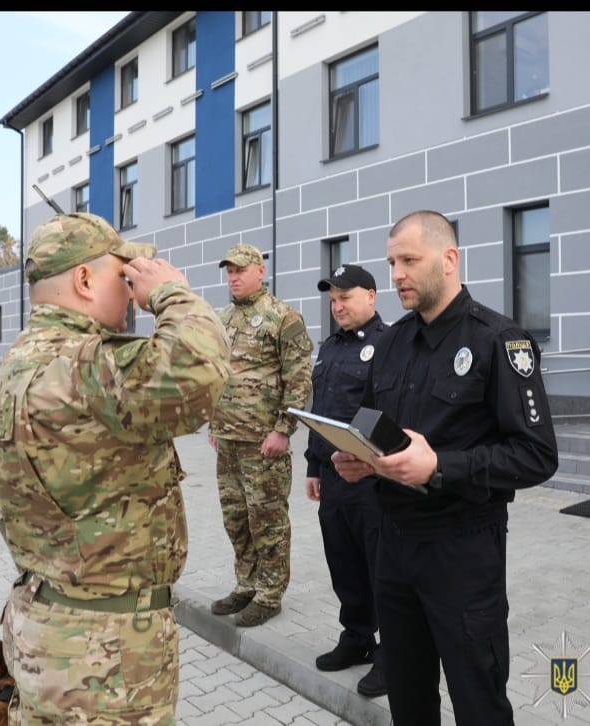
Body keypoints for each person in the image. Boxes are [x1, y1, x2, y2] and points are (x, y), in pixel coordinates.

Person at [0, 212, 230, 724]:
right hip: (106, 657)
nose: (133, 286)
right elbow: (202, 370)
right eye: (124, 273)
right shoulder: (89, 365)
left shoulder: (8, 371)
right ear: (84, 280)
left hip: (40, 626)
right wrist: (171, 293)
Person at [332, 210, 559, 726]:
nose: (396, 275)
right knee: (409, 701)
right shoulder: (390, 343)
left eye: (409, 260)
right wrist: (362, 459)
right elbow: (376, 426)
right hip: (392, 549)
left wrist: (442, 466)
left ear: (449, 259)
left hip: (462, 554)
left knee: (478, 702)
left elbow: (538, 454)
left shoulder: (498, 339)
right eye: (392, 263)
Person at [209, 242, 314, 627]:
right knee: (236, 519)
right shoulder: (223, 319)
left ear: (260, 271)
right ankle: (246, 583)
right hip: (228, 441)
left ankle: (270, 594)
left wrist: (283, 430)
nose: (233, 277)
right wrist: (214, 423)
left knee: (267, 520)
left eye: (240, 270)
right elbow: (216, 374)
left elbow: (299, 379)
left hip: (263, 443)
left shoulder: (283, 318)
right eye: (229, 271)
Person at [304, 263, 388, 698]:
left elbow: (390, 416)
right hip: (333, 480)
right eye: (333, 299)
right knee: (344, 565)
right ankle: (357, 638)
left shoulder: (390, 345)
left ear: (371, 297)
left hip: (373, 482)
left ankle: (393, 654)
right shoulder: (329, 348)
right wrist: (313, 467)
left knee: (382, 570)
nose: (338, 306)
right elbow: (321, 411)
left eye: (346, 297)